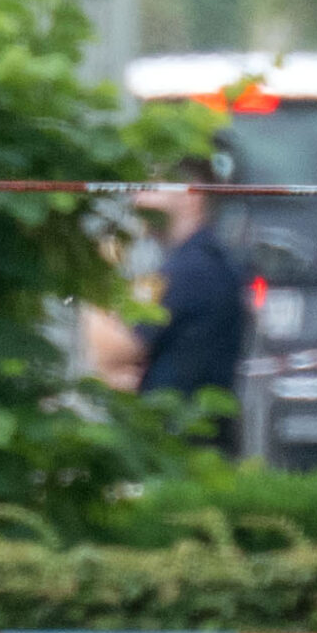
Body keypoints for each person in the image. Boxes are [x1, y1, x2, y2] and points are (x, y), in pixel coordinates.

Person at [98, 157, 247, 443]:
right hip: (186, 434)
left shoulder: (193, 268)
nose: (138, 198)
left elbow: (116, 350)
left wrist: (90, 286)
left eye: (154, 187)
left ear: (193, 195)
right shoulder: (194, 261)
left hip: (182, 439)